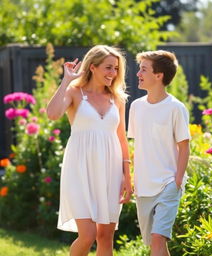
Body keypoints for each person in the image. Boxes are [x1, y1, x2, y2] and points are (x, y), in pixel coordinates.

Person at [47, 45, 132, 256]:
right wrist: (66, 80)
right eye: (108, 67)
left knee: (105, 236)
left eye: (115, 68)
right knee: (87, 235)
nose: (113, 73)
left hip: (110, 171)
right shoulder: (74, 92)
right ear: (92, 67)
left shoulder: (118, 98)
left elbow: (121, 138)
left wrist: (127, 176)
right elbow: (52, 114)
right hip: (79, 169)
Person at [128, 50, 191, 256]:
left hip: (168, 183)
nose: (138, 73)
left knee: (157, 238)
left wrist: (178, 180)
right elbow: (139, 146)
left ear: (159, 75)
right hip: (144, 186)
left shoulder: (175, 108)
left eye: (143, 69)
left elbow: (184, 146)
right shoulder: (136, 107)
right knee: (156, 244)